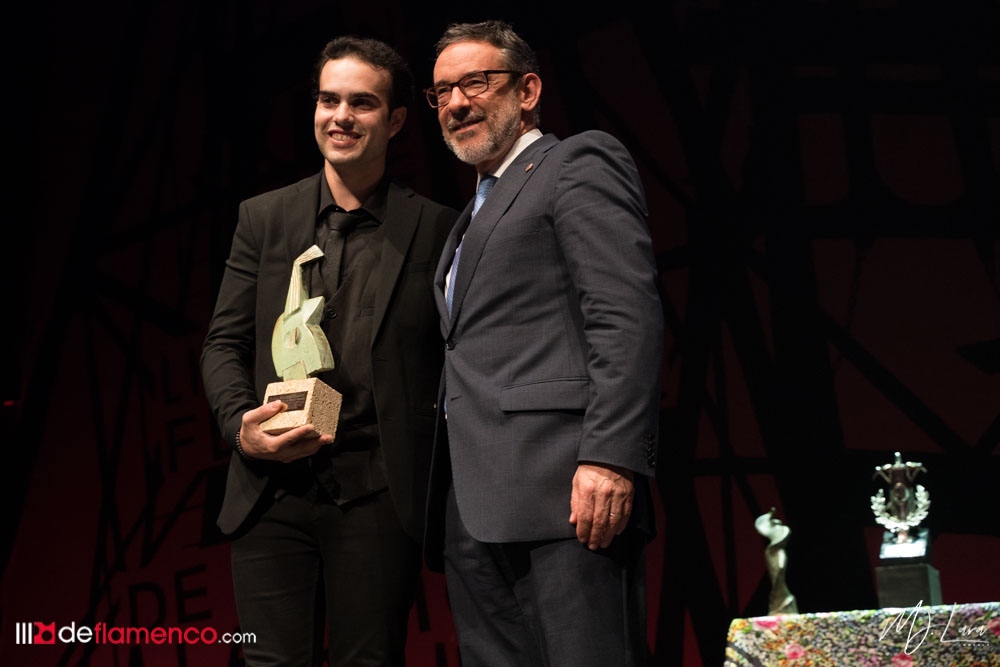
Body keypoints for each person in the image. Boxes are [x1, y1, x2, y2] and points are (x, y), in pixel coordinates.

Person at [201, 36, 457, 666]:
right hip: (270, 491)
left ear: (395, 120)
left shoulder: (436, 228)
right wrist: (240, 428)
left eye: (362, 103)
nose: (340, 116)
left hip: (378, 495)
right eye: (327, 100)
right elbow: (224, 342)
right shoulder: (263, 218)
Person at [423, 20, 663, 667]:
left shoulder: (575, 163)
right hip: (475, 506)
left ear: (527, 90)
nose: (455, 103)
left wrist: (611, 456)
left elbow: (625, 315)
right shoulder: (469, 216)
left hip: (566, 495)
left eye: (476, 82)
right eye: (442, 91)